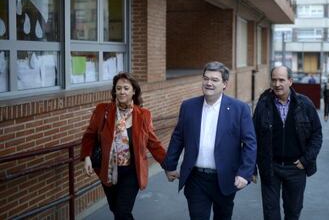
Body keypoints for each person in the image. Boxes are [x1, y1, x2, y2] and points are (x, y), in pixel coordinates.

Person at [163, 61, 257, 220]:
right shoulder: (188, 106)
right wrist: (170, 165)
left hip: (225, 179)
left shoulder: (239, 109)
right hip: (196, 178)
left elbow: (250, 143)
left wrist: (244, 173)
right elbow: (178, 137)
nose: (209, 83)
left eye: (214, 80)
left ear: (225, 84)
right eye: (206, 78)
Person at [80, 72, 166, 219]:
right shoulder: (103, 110)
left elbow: (153, 143)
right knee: (115, 209)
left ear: (134, 91)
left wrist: (168, 164)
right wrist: (87, 156)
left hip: (131, 172)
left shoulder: (143, 115)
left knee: (122, 211)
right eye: (118, 88)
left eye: (126, 88)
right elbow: (90, 135)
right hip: (108, 170)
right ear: (114, 91)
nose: (122, 92)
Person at [253, 65, 322, 220]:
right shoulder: (263, 104)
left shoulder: (305, 105)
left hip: (296, 168)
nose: (277, 84)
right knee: (270, 214)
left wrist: (305, 160)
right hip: (270, 167)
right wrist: (252, 167)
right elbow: (253, 136)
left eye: (281, 80)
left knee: (293, 211)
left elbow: (317, 134)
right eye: (274, 80)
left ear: (290, 81)